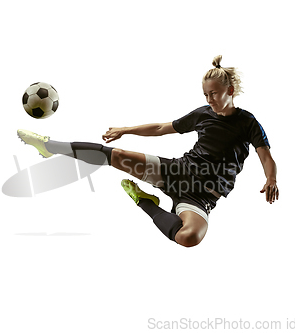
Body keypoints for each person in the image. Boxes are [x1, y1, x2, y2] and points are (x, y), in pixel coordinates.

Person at [17, 55, 278, 248]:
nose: (209, 100)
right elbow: (162, 128)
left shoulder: (248, 123)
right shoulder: (203, 114)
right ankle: (50, 146)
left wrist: (271, 180)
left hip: (202, 196)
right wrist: (126, 129)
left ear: (230, 91)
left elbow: (265, 156)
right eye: (205, 95)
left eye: (214, 94)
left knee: (189, 238)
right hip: (177, 172)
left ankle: (145, 202)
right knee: (116, 156)